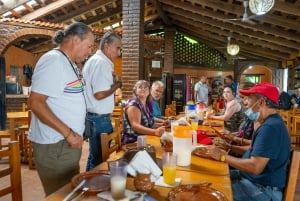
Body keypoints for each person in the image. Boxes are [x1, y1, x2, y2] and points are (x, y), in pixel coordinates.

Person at [28, 22, 94, 195]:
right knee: (60, 195)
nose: (90, 52)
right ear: (75, 40)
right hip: (56, 144)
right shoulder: (53, 60)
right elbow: (36, 103)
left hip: (64, 144)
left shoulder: (67, 63)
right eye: (89, 46)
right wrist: (69, 134)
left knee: (69, 193)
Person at [205, 83, 291, 201]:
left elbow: (255, 167)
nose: (246, 105)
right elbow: (255, 149)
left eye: (249, 99)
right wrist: (229, 146)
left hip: (263, 189)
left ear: (261, 102)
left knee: (211, 196)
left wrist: (223, 156)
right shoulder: (268, 122)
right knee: (209, 179)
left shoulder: (270, 127)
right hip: (250, 178)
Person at [83, 32, 122, 171]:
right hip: (99, 119)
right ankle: (92, 188)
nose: (119, 53)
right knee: (99, 160)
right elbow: (99, 94)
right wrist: (117, 85)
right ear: (106, 46)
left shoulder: (97, 61)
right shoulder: (101, 63)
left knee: (94, 157)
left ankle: (87, 185)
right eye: (117, 48)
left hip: (95, 117)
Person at [122, 80, 165, 144]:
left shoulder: (145, 104)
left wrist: (163, 125)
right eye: (140, 87)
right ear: (135, 91)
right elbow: (135, 126)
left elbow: (148, 124)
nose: (143, 89)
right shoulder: (133, 105)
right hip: (133, 142)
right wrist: (155, 132)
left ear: (149, 91)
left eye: (145, 87)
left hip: (144, 139)